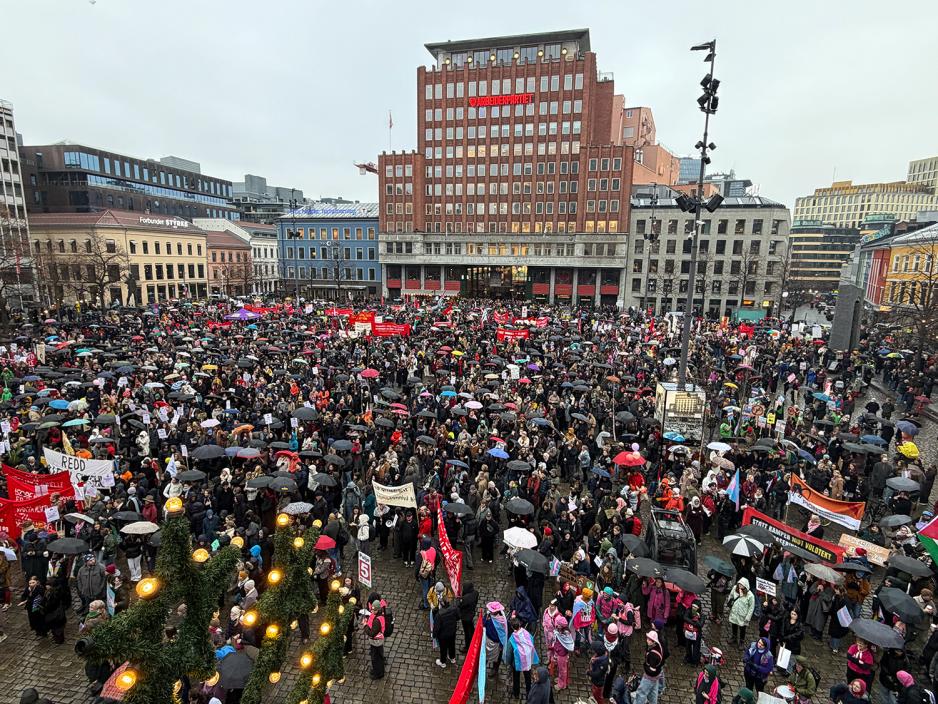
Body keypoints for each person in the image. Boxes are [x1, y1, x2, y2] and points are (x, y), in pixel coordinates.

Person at [505, 618, 538, 700]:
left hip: (516, 662)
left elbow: (509, 652)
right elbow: (531, 642)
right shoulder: (527, 633)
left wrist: (508, 662)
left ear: (512, 627)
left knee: (516, 678)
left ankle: (516, 693)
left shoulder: (511, 639)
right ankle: (529, 692)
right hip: (527, 660)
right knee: (527, 677)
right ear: (519, 625)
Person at [632, 630, 665, 704]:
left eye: (650, 640)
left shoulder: (653, 655)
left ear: (654, 641)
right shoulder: (659, 647)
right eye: (647, 638)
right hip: (656, 676)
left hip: (649, 677)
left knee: (641, 693)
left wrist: (645, 666)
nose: (647, 641)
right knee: (653, 692)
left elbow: (651, 671)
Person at [433, 596, 460, 668]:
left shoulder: (439, 614)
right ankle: (452, 658)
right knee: (452, 645)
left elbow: (436, 627)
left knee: (443, 648)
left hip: (443, 635)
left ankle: (443, 662)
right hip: (452, 631)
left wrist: (434, 635)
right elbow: (458, 617)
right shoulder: (454, 609)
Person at [727, 578, 755, 646]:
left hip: (743, 615)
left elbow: (751, 607)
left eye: (742, 585)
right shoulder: (735, 588)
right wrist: (730, 602)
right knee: (734, 625)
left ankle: (742, 641)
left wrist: (748, 617)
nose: (740, 585)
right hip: (734, 612)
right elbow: (731, 596)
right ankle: (734, 637)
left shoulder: (750, 595)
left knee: (742, 628)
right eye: (739, 584)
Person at [549, 615, 574, 691]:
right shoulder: (559, 631)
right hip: (559, 652)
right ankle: (561, 679)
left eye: (558, 624)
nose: (556, 625)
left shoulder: (565, 634)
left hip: (562, 654)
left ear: (562, 626)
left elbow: (567, 644)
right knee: (560, 669)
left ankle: (562, 684)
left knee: (562, 670)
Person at [364, 599, 387, 680]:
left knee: (375, 658)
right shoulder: (379, 615)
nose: (372, 611)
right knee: (378, 657)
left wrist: (365, 626)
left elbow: (371, 633)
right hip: (378, 641)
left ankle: (378, 674)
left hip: (376, 642)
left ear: (377, 610)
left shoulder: (377, 621)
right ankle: (378, 671)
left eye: (373, 610)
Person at [457, 581, 478, 652]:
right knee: (471, 628)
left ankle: (467, 646)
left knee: (467, 632)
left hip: (465, 617)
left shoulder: (465, 598)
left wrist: (459, 599)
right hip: (471, 614)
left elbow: (460, 606)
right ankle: (473, 636)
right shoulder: (475, 593)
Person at [589, 639, 611, 704]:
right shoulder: (599, 656)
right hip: (595, 680)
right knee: (595, 693)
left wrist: (589, 673)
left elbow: (598, 674)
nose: (593, 651)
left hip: (598, 682)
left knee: (598, 697)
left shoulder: (603, 662)